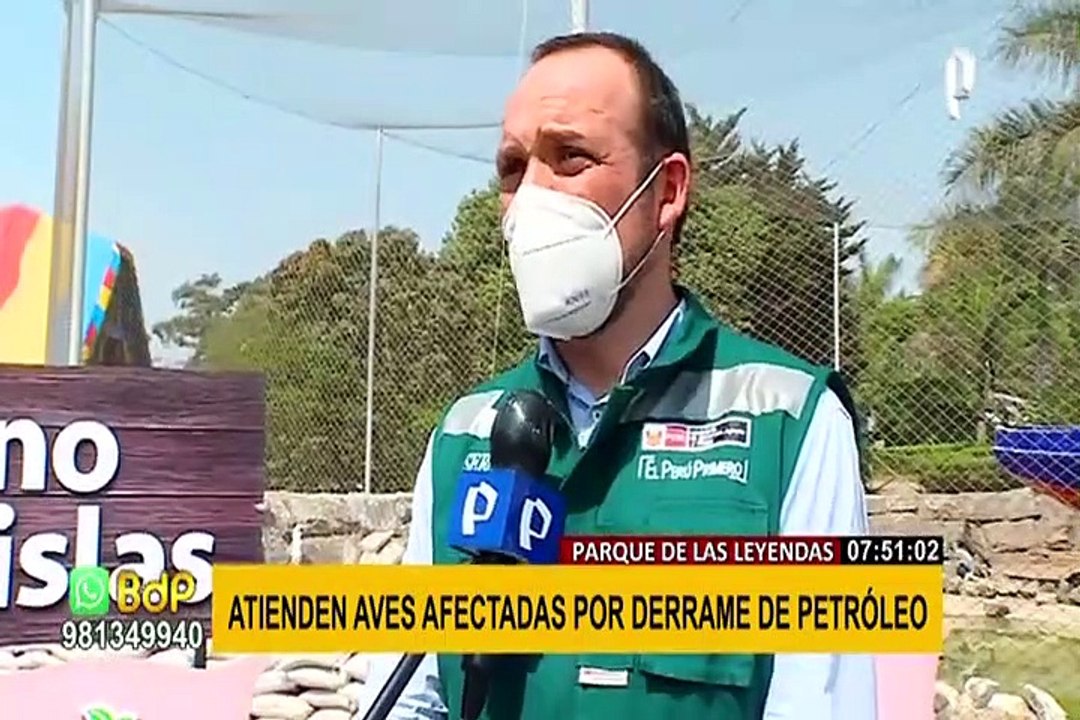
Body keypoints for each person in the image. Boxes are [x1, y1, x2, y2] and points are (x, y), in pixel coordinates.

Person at [361, 31, 877, 720]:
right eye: (513, 168)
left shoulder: (790, 424)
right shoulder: (466, 433)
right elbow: (413, 697)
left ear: (667, 191)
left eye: (570, 157)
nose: (532, 197)